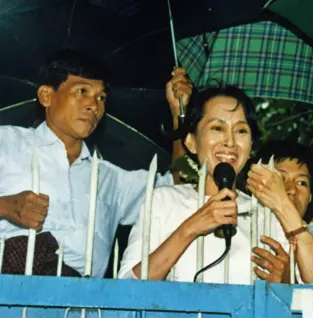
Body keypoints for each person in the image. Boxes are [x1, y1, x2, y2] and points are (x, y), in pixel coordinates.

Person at [0, 49, 192, 277]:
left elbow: (178, 184)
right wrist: (6, 206)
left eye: (101, 97)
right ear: (46, 96)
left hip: (81, 306)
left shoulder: (110, 179)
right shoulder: (8, 142)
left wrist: (179, 112)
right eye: (82, 91)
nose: (94, 105)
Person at [118, 86, 313, 284]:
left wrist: (285, 281)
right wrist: (191, 228)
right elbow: (126, 288)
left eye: (241, 131)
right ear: (191, 142)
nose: (230, 142)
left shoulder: (267, 214)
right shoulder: (164, 200)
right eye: (217, 128)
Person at [246, 140, 313, 283]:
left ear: (311, 197)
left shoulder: (312, 242)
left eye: (302, 182)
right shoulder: (241, 223)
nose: (292, 190)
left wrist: (288, 281)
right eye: (280, 178)